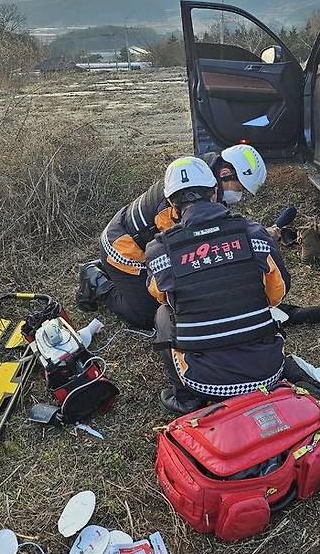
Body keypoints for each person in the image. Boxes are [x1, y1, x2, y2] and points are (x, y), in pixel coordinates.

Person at [146, 156, 291, 415]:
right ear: (214, 193)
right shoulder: (254, 234)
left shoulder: (160, 250)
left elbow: (161, 295)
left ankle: (184, 398)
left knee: (163, 313)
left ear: (172, 204)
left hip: (204, 383)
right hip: (267, 373)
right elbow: (277, 295)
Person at [76, 144, 268, 328]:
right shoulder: (180, 203)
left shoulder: (201, 176)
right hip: (123, 248)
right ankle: (97, 280)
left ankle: (110, 270)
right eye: (239, 189)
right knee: (147, 315)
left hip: (141, 240)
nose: (239, 196)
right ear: (225, 174)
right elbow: (181, 249)